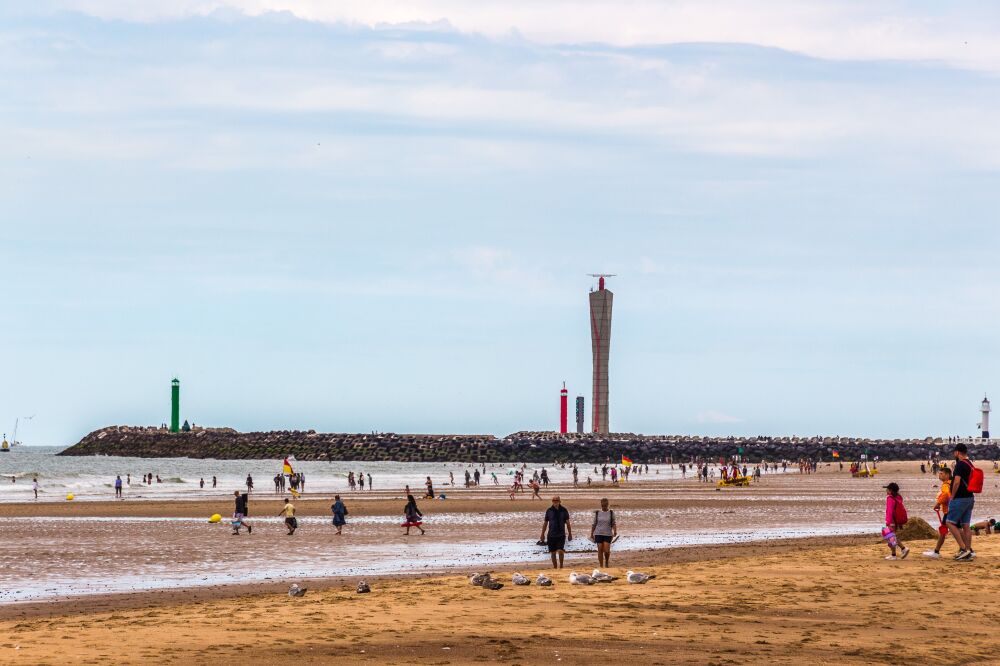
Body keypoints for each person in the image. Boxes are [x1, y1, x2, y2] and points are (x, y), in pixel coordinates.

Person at [948, 443, 977, 560]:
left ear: (957, 452)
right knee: (966, 526)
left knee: (950, 523)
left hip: (960, 498)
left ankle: (963, 548)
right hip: (970, 497)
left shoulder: (960, 465)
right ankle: (968, 550)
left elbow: (956, 482)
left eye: (954, 452)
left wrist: (952, 496)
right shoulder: (970, 464)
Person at [924, 467, 952, 558]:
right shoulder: (952, 483)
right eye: (939, 473)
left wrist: (938, 503)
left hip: (948, 511)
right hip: (954, 509)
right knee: (956, 529)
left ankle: (936, 552)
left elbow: (946, 495)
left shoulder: (945, 485)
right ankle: (967, 549)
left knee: (943, 531)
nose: (939, 475)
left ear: (947, 475)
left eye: (941, 474)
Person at [540, 496, 572, 569]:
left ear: (559, 501)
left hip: (561, 534)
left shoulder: (564, 510)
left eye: (556, 500)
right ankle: (555, 568)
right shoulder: (549, 511)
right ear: (552, 501)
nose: (555, 502)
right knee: (553, 552)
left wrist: (570, 533)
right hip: (551, 535)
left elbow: (568, 523)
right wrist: (542, 534)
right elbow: (545, 523)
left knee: (561, 551)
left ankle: (561, 566)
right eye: (553, 500)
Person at [883, 482, 909, 560]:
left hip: (892, 521)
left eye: (887, 489)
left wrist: (888, 522)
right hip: (896, 521)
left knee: (891, 537)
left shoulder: (890, 498)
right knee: (892, 537)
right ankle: (894, 554)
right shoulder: (898, 497)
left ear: (890, 490)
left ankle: (903, 549)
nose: (886, 491)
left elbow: (890, 511)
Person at [590, 498, 617, 567]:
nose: (604, 507)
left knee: (607, 551)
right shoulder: (597, 513)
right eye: (602, 506)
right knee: (600, 549)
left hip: (608, 534)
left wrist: (615, 531)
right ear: (601, 505)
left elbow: (613, 523)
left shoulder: (611, 513)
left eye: (605, 505)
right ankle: (601, 565)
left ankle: (606, 562)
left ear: (608, 505)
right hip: (598, 533)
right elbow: (594, 524)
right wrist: (591, 534)